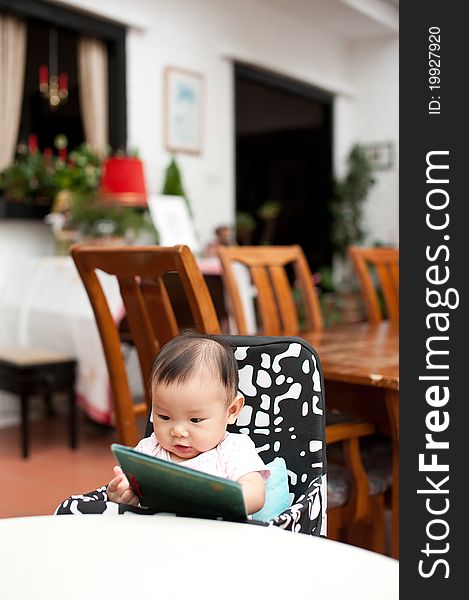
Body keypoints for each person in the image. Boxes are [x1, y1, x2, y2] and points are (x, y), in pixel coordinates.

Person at [106, 332, 269, 515]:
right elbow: (131, 489)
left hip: (218, 537)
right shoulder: (150, 450)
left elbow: (255, 494)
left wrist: (216, 501)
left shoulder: (232, 449)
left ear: (231, 411)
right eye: (164, 417)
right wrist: (123, 494)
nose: (178, 431)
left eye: (195, 420)